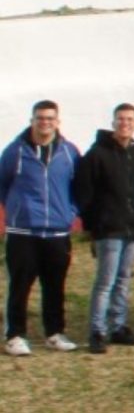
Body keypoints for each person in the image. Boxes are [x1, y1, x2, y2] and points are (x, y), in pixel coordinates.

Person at [1, 101, 82, 355]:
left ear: (57, 121)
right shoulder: (15, 151)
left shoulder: (69, 152)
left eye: (50, 118)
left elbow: (78, 187)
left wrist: (70, 212)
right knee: (20, 284)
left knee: (55, 285)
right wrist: (18, 209)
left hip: (57, 231)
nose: (44, 122)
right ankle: (14, 335)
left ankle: (54, 333)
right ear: (32, 120)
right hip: (23, 232)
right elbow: (2, 185)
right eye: (40, 118)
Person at [73, 103, 134, 353]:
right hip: (108, 229)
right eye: (120, 119)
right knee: (105, 281)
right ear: (113, 123)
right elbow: (85, 193)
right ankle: (97, 330)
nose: (125, 123)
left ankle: (118, 325)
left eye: (130, 119)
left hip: (132, 228)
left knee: (124, 279)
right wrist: (92, 226)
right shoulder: (97, 154)